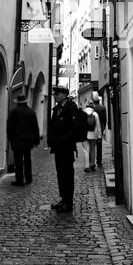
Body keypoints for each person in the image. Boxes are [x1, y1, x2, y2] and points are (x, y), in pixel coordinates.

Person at [47, 84, 86, 212]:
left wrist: (64, 139)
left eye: (57, 94)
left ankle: (68, 203)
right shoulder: (57, 108)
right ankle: (63, 199)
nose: (55, 96)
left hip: (67, 147)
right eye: (54, 94)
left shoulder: (71, 107)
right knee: (60, 174)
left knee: (67, 174)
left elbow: (73, 128)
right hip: (58, 147)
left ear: (64, 95)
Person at [6, 91, 40, 186]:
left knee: (18, 160)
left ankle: (19, 180)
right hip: (28, 140)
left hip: (17, 140)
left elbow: (9, 127)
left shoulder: (13, 112)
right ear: (26, 102)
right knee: (28, 159)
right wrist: (36, 140)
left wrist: (10, 138)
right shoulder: (31, 112)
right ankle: (28, 178)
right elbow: (35, 128)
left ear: (17, 102)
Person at [83, 100, 100, 172]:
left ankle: (87, 166)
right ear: (92, 106)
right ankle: (93, 164)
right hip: (93, 134)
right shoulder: (95, 114)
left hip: (84, 135)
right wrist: (99, 136)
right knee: (93, 149)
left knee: (86, 150)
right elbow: (98, 126)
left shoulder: (82, 113)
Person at [92, 92, 108, 168]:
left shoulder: (92, 108)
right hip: (100, 129)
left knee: (91, 146)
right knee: (99, 146)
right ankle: (99, 162)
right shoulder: (103, 108)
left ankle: (91, 161)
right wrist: (103, 129)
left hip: (92, 130)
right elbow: (105, 120)